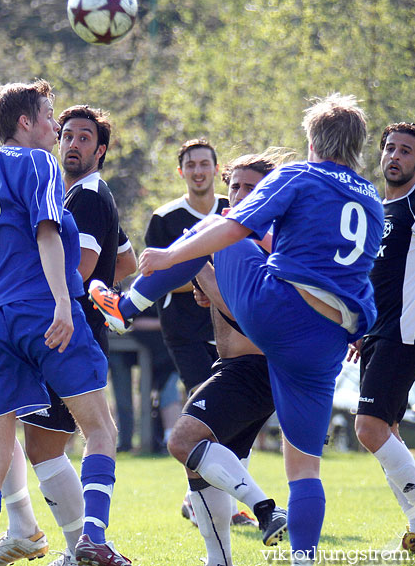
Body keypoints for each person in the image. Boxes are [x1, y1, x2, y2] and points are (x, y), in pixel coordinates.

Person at [90, 94, 385, 564]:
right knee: (305, 468)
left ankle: (127, 306)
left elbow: (233, 229)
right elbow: (359, 272)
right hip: (328, 340)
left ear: (313, 141)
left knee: (223, 226)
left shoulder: (299, 175)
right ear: (360, 146)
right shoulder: (372, 200)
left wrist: (169, 256)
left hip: (280, 314)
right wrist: (358, 331)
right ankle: (303, 559)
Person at [0, 81, 131, 566]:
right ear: (25, 122)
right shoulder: (39, 163)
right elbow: (46, 230)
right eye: (48, 115)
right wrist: (63, 302)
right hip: (43, 311)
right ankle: (92, 540)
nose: (55, 126)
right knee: (100, 430)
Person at [167, 149, 293, 566]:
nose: (237, 195)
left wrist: (202, 273)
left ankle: (265, 509)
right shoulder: (231, 234)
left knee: (182, 440)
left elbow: (251, 318)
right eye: (234, 186)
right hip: (237, 367)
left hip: (254, 370)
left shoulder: (266, 241)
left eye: (249, 188)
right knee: (201, 466)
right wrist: (209, 291)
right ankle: (217, 561)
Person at [351, 123, 415, 554]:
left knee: (368, 429)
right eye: (389, 148)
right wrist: (360, 329)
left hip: (406, 335)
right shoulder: (378, 212)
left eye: (405, 151)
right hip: (377, 334)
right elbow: (377, 280)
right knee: (387, 430)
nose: (395, 156)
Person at [144, 138, 228, 395]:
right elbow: (155, 278)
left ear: (216, 168)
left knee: (238, 401)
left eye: (204, 164)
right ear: (181, 172)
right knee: (204, 396)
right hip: (185, 329)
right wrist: (204, 281)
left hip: (233, 323)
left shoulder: (233, 209)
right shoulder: (164, 218)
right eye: (190, 165)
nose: (198, 171)